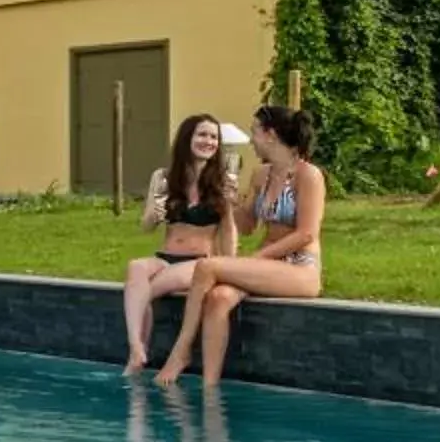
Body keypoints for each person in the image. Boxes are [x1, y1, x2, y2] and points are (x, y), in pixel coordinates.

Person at [155, 104, 324, 387]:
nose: (251, 140)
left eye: (254, 132)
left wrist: (259, 257)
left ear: (270, 135)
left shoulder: (309, 175)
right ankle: (210, 388)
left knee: (207, 266)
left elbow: (306, 234)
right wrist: (230, 202)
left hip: (300, 267)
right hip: (267, 264)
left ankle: (180, 351)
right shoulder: (262, 175)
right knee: (219, 298)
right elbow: (247, 226)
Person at [122, 113, 235, 373]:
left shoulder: (223, 181)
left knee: (142, 294)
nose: (208, 141)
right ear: (187, 138)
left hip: (198, 262)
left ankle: (136, 355)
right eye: (202, 135)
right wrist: (154, 214)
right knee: (136, 267)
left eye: (213, 136)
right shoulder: (163, 177)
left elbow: (229, 229)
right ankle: (136, 347)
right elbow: (147, 227)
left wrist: (230, 266)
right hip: (166, 255)